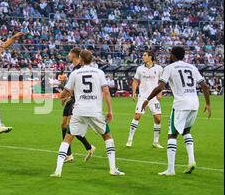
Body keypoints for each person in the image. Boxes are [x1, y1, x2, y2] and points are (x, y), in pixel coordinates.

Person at [51, 50, 124, 177]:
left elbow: (65, 92)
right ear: (92, 60)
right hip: (95, 111)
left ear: (81, 60)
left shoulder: (75, 73)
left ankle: (58, 171)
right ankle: (112, 169)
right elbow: (106, 92)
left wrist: (62, 97)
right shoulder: (99, 73)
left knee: (67, 138)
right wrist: (110, 111)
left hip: (79, 111)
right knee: (107, 136)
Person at [141, 46, 211, 175]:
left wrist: (147, 99)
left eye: (170, 54)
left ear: (173, 55)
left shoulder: (169, 68)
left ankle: (170, 169)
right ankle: (191, 160)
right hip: (194, 103)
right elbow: (205, 86)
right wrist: (208, 104)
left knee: (172, 135)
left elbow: (160, 87)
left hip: (180, 104)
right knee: (186, 131)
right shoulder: (192, 67)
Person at [60, 48, 96, 163]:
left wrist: (66, 95)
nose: (68, 55)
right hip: (71, 99)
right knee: (64, 125)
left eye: (70, 53)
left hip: (77, 100)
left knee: (72, 127)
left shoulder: (80, 69)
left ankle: (75, 152)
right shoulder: (74, 69)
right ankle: (79, 150)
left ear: (74, 55)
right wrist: (66, 97)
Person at [126, 51, 164, 149]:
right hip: (143, 97)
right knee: (137, 116)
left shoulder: (159, 68)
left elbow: (162, 82)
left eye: (145, 55)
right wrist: (134, 92)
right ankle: (129, 140)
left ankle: (156, 142)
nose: (143, 56)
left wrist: (160, 92)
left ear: (150, 57)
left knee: (158, 119)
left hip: (154, 97)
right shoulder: (140, 69)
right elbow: (135, 81)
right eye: (143, 55)